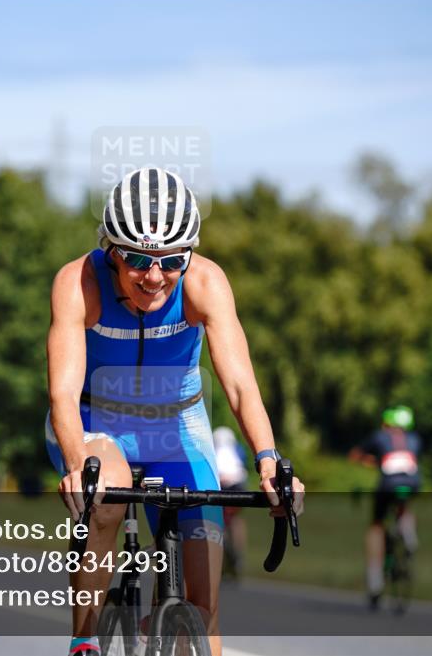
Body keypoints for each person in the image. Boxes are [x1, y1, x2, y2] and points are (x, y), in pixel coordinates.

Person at [46, 167, 304, 656]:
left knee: (204, 607)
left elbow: (240, 384)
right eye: (138, 259)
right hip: (97, 422)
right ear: (111, 250)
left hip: (177, 425)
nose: (154, 275)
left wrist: (270, 463)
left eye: (171, 260)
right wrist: (79, 463)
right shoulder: (78, 283)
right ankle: (84, 640)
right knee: (103, 497)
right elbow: (62, 393)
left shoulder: (205, 282)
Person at [348, 405, 421, 609]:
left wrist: (372, 461)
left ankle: (375, 579)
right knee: (405, 505)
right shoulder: (414, 438)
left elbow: (356, 455)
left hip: (388, 484)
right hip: (412, 482)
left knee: (376, 525)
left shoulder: (380, 436)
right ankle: (407, 531)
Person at [213, 426, 249, 580]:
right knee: (235, 520)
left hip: (221, 486)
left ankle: (221, 560)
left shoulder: (213, 449)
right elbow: (243, 467)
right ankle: (238, 556)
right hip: (237, 486)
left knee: (217, 523)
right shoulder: (237, 449)